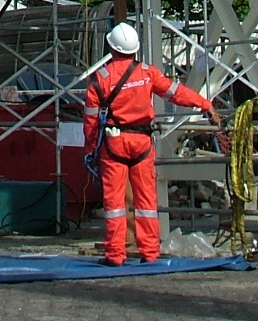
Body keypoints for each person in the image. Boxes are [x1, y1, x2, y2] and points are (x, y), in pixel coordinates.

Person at [83, 21, 220, 266]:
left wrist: (92, 147)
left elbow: (91, 121)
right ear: (135, 49)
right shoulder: (147, 73)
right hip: (143, 142)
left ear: (111, 48)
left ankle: (115, 255)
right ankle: (149, 252)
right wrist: (205, 104)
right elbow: (176, 92)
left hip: (114, 143)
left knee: (114, 204)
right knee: (146, 201)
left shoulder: (99, 79)